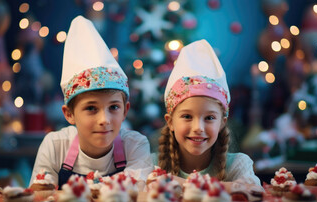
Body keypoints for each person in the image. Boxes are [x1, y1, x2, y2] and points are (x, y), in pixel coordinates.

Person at [30, 16, 153, 189]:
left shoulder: (134, 145)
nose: (104, 119)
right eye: (91, 108)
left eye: (114, 107)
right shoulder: (55, 146)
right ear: (69, 114)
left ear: (125, 110)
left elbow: (137, 191)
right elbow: (39, 195)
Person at [156, 39, 261, 191]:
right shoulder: (152, 163)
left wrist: (182, 184)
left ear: (222, 122)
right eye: (187, 116)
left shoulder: (238, 164)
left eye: (210, 118)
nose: (198, 127)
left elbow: (254, 191)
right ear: (170, 121)